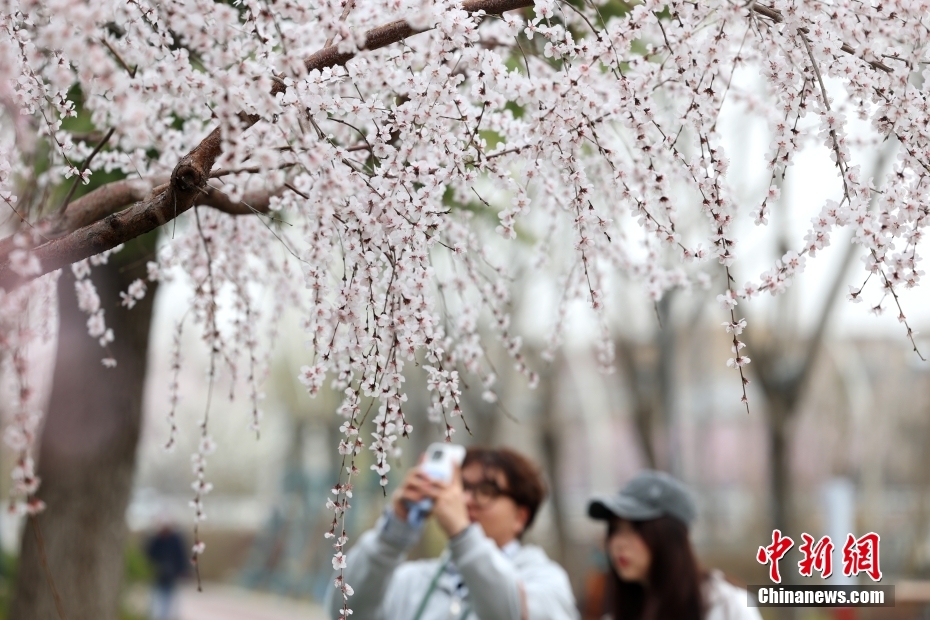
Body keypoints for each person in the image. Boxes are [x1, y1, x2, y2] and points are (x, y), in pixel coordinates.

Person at [325, 446, 579, 620]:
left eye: (486, 491)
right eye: (461, 487)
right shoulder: (412, 580)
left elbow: (510, 612)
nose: (465, 499)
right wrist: (392, 534)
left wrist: (463, 533)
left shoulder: (544, 580)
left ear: (520, 517)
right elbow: (343, 612)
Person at [587, 470, 762, 620]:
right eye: (615, 530)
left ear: (669, 536)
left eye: (634, 529)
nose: (618, 544)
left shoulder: (725, 607)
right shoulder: (614, 613)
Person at [144, 523, 189, 620]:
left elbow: (181, 556)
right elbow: (149, 554)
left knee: (170, 599)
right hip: (158, 575)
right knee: (157, 598)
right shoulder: (157, 539)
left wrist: (182, 571)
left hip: (172, 575)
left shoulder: (176, 540)